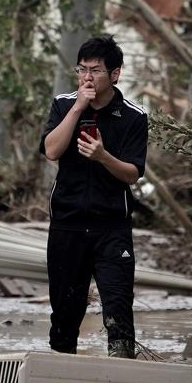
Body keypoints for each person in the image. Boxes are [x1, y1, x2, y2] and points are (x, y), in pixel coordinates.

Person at [39, 35, 148, 359]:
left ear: (115, 74)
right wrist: (77, 108)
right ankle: (60, 382)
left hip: (111, 226)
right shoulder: (63, 104)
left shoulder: (133, 116)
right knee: (64, 311)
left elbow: (132, 173)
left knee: (118, 308)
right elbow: (51, 150)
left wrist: (103, 156)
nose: (87, 77)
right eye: (82, 70)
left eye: (96, 70)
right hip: (68, 223)